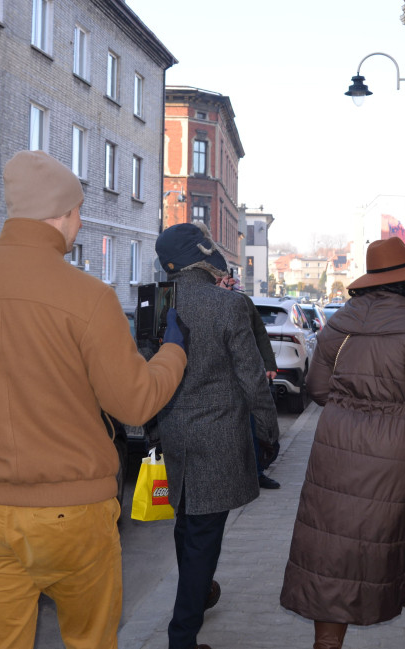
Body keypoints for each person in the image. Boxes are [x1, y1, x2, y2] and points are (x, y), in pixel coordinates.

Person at [0, 150, 188, 649]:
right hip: (75, 512)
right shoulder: (89, 297)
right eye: (78, 211)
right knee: (88, 639)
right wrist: (174, 351)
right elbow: (135, 403)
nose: (80, 223)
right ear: (59, 214)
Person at [280, 237, 405, 649]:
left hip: (335, 454)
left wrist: (352, 411)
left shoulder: (340, 323)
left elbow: (318, 388)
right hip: (402, 460)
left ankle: (328, 644)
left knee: (332, 551)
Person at [148, 222, 280, 649]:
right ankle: (182, 636)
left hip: (175, 435)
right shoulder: (228, 306)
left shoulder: (158, 303)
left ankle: (198, 593)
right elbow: (252, 380)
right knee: (204, 535)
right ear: (204, 258)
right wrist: (268, 432)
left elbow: (147, 374)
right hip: (219, 438)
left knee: (187, 524)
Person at [216, 271, 281, 489]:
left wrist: (269, 364)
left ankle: (256, 472)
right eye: (223, 278)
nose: (230, 281)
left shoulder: (242, 301)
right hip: (217, 379)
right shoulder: (207, 301)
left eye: (229, 277)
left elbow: (259, 332)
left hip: (243, 376)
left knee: (252, 425)